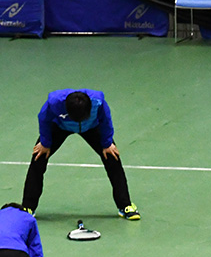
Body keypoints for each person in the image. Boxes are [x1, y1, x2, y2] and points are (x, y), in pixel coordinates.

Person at [22, 89, 139, 220]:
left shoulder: (98, 102)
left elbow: (105, 119)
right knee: (38, 158)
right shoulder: (55, 103)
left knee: (112, 158)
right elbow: (43, 118)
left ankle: (125, 206)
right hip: (60, 127)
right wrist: (45, 143)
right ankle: (28, 207)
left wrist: (107, 144)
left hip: (91, 127)